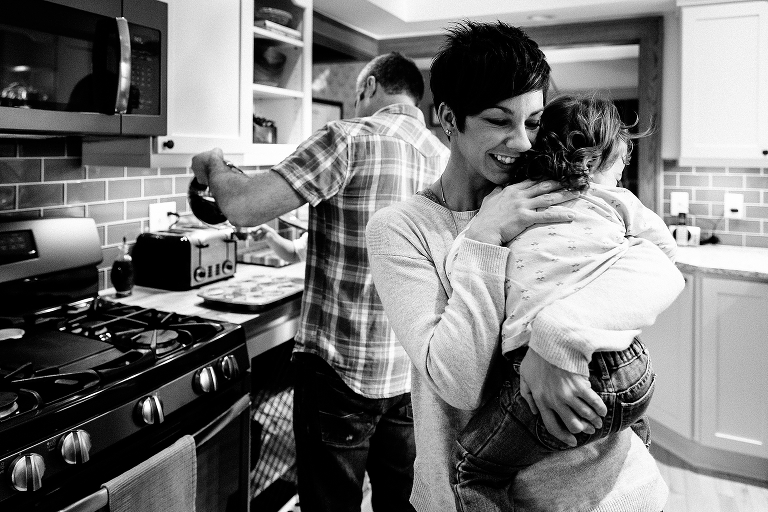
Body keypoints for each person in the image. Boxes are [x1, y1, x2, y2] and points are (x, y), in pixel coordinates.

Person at [365, 21, 684, 512]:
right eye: (498, 120)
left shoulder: (563, 192)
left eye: (534, 122)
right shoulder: (402, 229)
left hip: (617, 491)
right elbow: (457, 382)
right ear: (447, 116)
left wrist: (554, 345)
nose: (521, 142)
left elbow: (659, 272)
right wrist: (484, 237)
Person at [191, 52, 450, 512]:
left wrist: (212, 162)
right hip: (412, 372)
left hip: (342, 373)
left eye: (357, 96)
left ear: (369, 87)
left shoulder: (348, 139)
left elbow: (244, 206)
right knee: (402, 503)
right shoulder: (444, 157)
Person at [446, 94, 679, 511]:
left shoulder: (510, 201)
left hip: (538, 370)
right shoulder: (619, 202)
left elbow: (460, 261)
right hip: (631, 368)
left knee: (471, 467)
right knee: (624, 422)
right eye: (621, 162)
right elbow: (665, 254)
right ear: (596, 160)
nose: (622, 174)